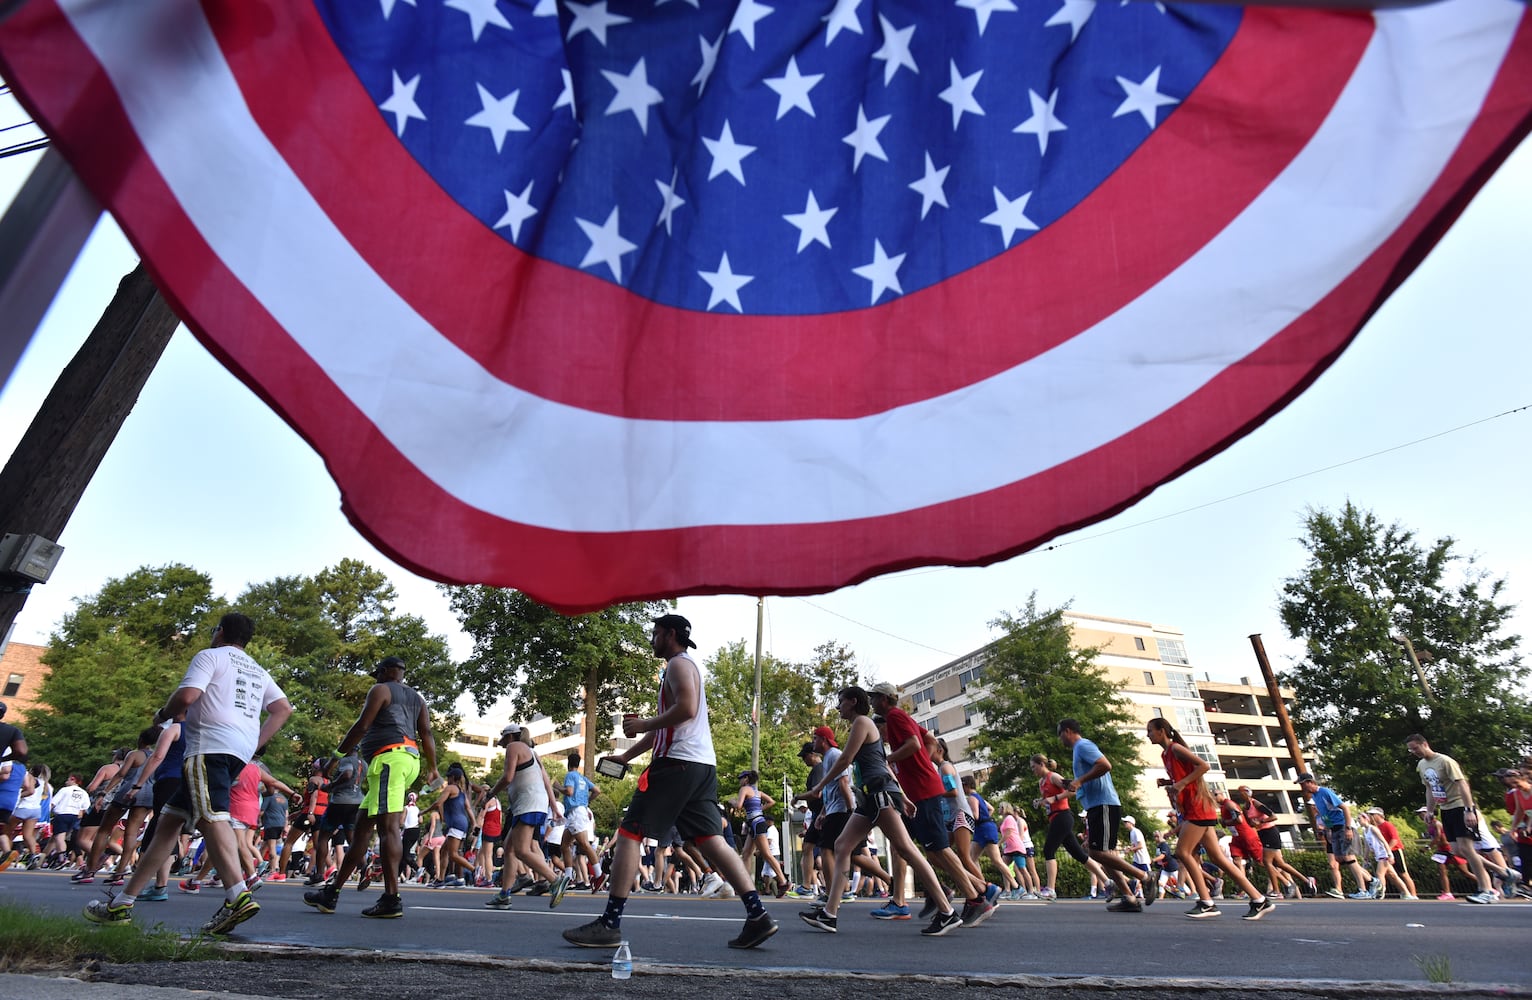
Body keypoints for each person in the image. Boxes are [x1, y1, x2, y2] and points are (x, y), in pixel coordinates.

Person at [563, 613, 778, 950]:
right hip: (700, 767)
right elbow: (672, 723)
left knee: (630, 831)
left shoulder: (678, 665)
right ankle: (758, 915)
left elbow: (687, 709)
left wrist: (644, 723)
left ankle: (609, 923)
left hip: (676, 764)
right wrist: (627, 756)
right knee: (712, 840)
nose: (652, 639)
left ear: (671, 635)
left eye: (656, 633)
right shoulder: (681, 667)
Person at [83, 612, 293, 935]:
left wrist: (163, 715)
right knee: (167, 825)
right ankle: (122, 903)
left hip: (209, 746)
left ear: (220, 632)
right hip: (237, 751)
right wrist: (254, 744)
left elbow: (186, 697)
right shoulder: (258, 671)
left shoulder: (210, 656)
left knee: (212, 816)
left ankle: (237, 895)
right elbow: (283, 709)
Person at [797, 686, 965, 936]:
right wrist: (904, 796)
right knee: (843, 845)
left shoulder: (863, 722)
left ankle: (946, 911)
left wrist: (818, 788)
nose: (838, 707)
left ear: (853, 702)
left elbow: (845, 760)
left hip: (879, 794)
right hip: (870, 795)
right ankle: (830, 914)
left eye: (841, 702)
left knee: (907, 849)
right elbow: (882, 763)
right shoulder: (864, 725)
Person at [303, 656, 438, 917]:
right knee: (363, 828)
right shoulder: (418, 699)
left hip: (390, 761)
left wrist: (335, 757)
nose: (376, 677)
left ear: (388, 672)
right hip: (405, 761)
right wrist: (432, 768)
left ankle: (391, 898)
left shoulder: (381, 689)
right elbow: (426, 733)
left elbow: (362, 726)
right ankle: (331, 894)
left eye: (378, 672)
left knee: (388, 829)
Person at [868, 682, 994, 925]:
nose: (872, 702)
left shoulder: (895, 716)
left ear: (884, 699)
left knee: (938, 850)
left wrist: (889, 758)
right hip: (919, 791)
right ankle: (971, 891)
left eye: (874, 697)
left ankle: (977, 896)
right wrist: (919, 763)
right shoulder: (900, 717)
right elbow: (928, 740)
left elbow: (915, 744)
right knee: (922, 849)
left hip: (923, 792)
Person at [1145, 718, 1273, 920]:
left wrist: (1180, 784)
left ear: (1162, 731)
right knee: (1218, 859)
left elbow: (1203, 766)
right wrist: (1169, 782)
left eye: (1150, 730)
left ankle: (1206, 902)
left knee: (1182, 853)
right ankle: (1259, 899)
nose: (1148, 735)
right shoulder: (1165, 754)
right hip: (1193, 809)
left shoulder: (1176, 748)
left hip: (1198, 809)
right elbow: (1185, 775)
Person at [1056, 719, 1155, 910]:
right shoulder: (1079, 750)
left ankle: (1145, 877)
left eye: (1060, 734)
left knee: (1097, 853)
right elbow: (1089, 776)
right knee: (1104, 855)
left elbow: (1105, 765)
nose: (1060, 739)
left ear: (1067, 731)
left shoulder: (1083, 745)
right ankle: (1129, 899)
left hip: (1103, 804)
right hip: (1096, 806)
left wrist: (1080, 780)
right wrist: (1074, 782)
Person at [1406, 733, 1513, 904]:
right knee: (1456, 851)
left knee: (1468, 849)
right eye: (1411, 750)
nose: (1413, 752)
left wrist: (1469, 810)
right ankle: (1503, 871)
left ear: (1425, 744)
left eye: (1415, 748)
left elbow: (1462, 783)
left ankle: (1486, 890)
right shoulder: (1422, 765)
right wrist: (1430, 811)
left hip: (1460, 806)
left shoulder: (1445, 761)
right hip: (1446, 808)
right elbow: (1430, 789)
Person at [482, 723, 570, 909]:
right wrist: (554, 807)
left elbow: (507, 777)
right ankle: (505, 894)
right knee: (509, 847)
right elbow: (546, 781)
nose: (504, 745)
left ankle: (555, 880)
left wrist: (490, 794)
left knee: (521, 850)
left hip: (527, 802)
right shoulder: (532, 752)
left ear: (510, 737)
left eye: (505, 740)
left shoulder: (514, 747)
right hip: (535, 802)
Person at [1029, 753, 1108, 901]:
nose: (1033, 771)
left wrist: (1056, 798)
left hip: (1063, 816)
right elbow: (1049, 799)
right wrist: (1041, 801)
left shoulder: (1053, 777)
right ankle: (1108, 882)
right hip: (1054, 818)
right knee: (1079, 855)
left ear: (1041, 764)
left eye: (1034, 767)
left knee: (1048, 850)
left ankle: (1051, 889)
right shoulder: (1041, 782)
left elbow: (1073, 789)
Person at [1295, 772, 1376, 899]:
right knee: (1340, 859)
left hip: (1343, 825)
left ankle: (1363, 889)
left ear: (1310, 782)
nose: (1302, 787)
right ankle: (1371, 880)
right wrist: (1329, 830)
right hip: (1335, 828)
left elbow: (1345, 808)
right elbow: (1326, 815)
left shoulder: (1325, 792)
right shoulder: (1315, 797)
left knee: (1349, 858)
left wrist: (1348, 828)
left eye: (1303, 784)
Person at [1236, 785, 1309, 899]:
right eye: (1239, 793)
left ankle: (1276, 891)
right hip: (1262, 834)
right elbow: (1250, 823)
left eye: (1242, 792)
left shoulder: (1256, 803)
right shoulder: (1246, 808)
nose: (1240, 794)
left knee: (1267, 862)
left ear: (1248, 793)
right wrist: (1254, 824)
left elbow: (1273, 816)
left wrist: (1261, 821)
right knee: (1279, 864)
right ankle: (1307, 880)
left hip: (1270, 832)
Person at [731, 770, 790, 895]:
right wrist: (760, 809)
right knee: (746, 853)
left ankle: (783, 881)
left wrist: (733, 802)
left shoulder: (744, 789)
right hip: (755, 823)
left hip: (756, 823)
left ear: (746, 779)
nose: (739, 781)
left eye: (740, 778)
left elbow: (739, 806)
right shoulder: (758, 792)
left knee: (766, 854)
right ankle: (745, 885)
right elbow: (772, 801)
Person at [560, 752, 604, 890]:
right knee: (565, 845)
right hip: (580, 811)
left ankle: (599, 874)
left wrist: (556, 786)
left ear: (568, 763)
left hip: (575, 812)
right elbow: (597, 791)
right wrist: (586, 802)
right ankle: (568, 877)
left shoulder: (570, 775)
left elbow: (569, 791)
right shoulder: (583, 778)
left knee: (584, 844)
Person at [1367, 806, 1419, 899]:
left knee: (1403, 872)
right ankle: (1404, 892)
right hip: (1385, 854)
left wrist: (1388, 851)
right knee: (1391, 874)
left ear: (1379, 815)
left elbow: (1394, 839)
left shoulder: (1387, 825)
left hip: (1395, 850)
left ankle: (1413, 894)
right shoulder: (1375, 828)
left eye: (1372, 814)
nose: (1370, 816)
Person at [0, 700, 28, 870]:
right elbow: (22, 752)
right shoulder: (11, 731)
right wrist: (4, 759)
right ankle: (6, 852)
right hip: (10, 799)